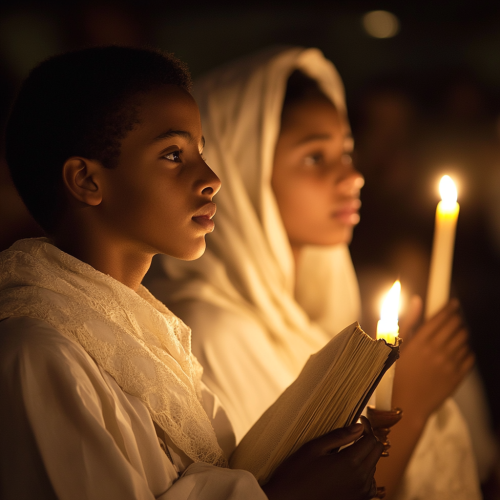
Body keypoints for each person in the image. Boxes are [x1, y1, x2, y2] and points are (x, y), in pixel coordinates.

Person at [0, 46, 383, 500]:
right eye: (172, 155)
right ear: (87, 181)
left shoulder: (154, 340)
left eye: (201, 152)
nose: (211, 178)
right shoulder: (39, 356)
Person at [146, 47, 483, 499]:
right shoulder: (210, 329)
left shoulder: (306, 317)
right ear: (245, 173)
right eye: (314, 158)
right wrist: (411, 406)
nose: (352, 176)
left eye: (346, 151)